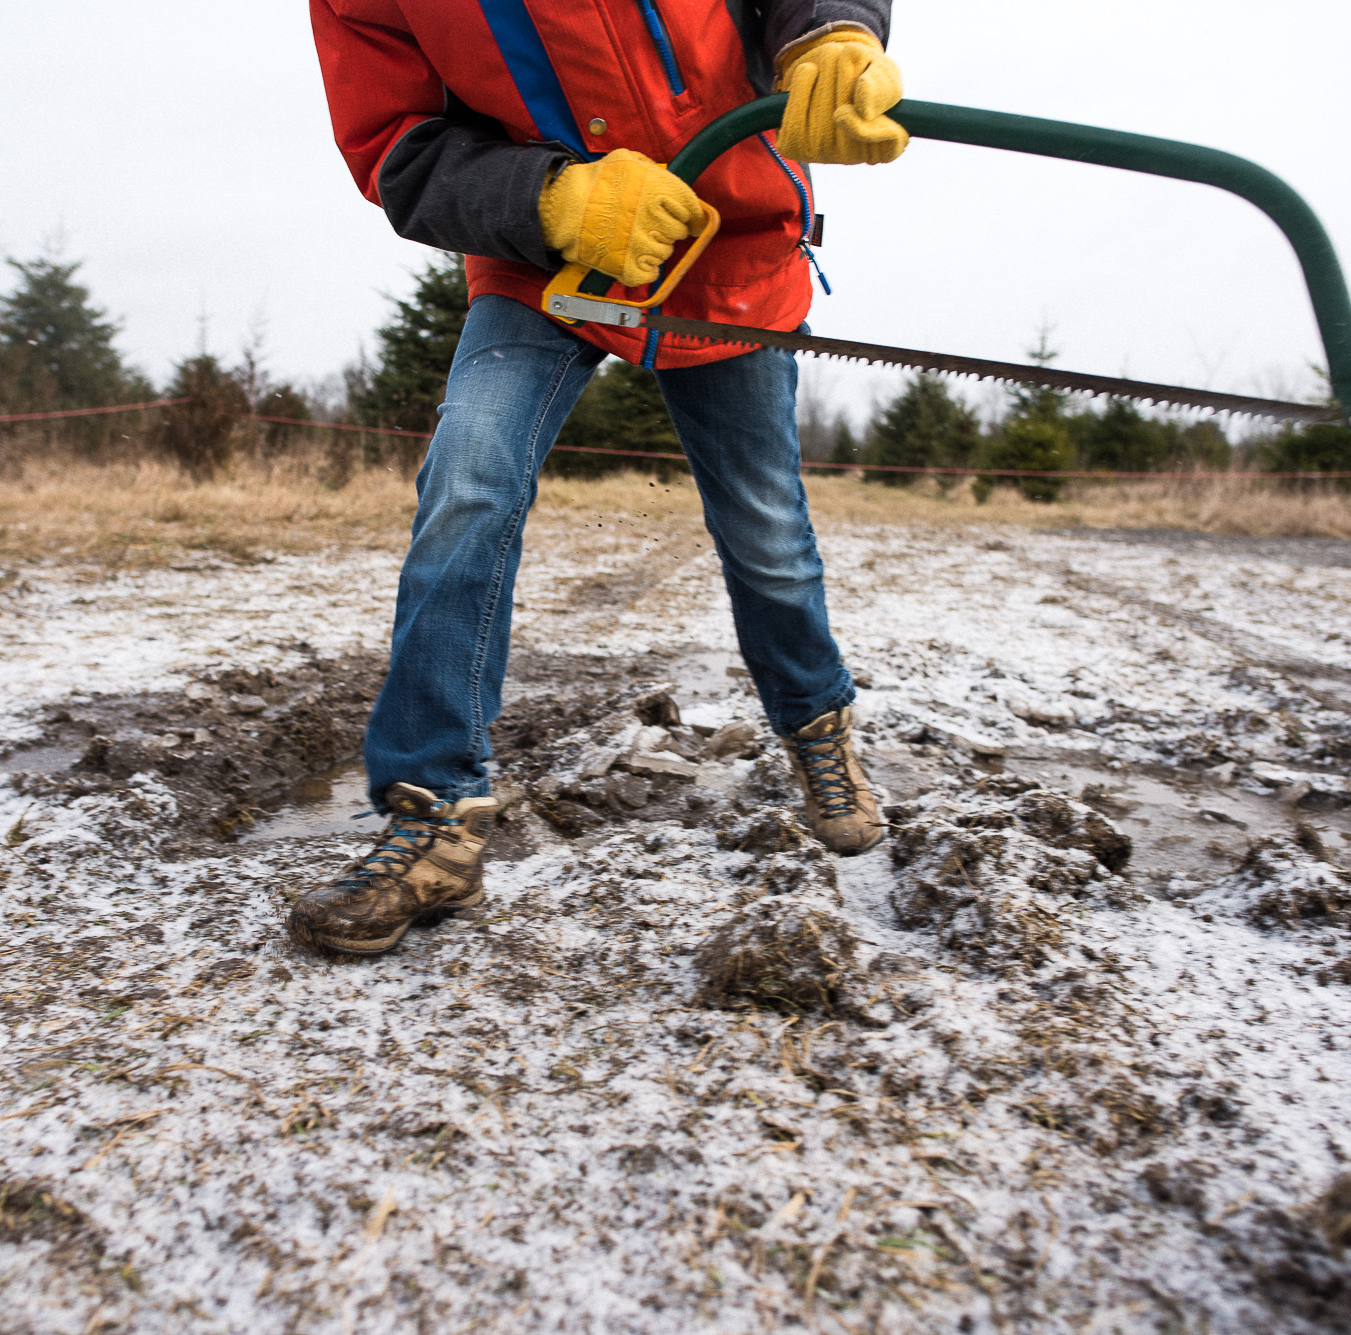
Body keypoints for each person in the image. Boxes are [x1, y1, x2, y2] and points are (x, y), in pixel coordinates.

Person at [292, 0, 908, 956]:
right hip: (546, 259)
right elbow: (398, 148)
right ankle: (435, 819)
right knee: (467, 489)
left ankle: (818, 732)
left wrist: (832, 29)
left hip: (732, 249)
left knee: (765, 531)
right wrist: (550, 199)